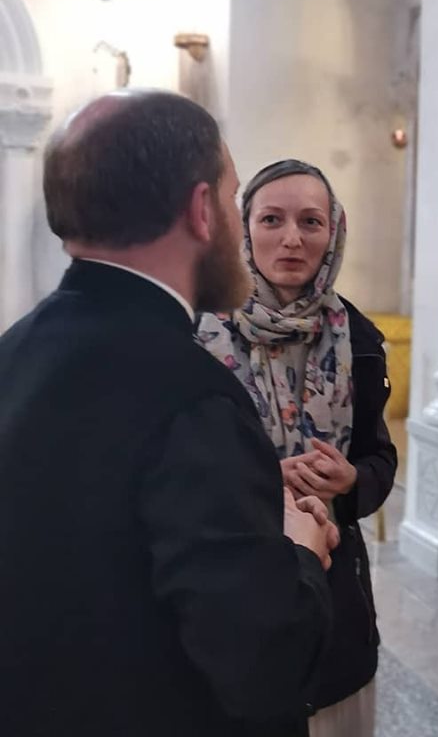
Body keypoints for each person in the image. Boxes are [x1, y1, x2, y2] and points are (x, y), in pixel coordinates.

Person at [0, 91, 338, 737]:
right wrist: (299, 546)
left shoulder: (14, 350)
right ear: (202, 210)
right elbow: (264, 664)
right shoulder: (193, 397)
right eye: (236, 201)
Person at [198, 159, 396, 737]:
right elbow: (172, 472)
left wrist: (352, 480)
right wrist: (262, 478)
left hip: (335, 593)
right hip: (231, 587)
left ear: (333, 232)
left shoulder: (358, 337)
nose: (292, 238)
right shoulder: (197, 335)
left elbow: (379, 458)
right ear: (242, 228)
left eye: (311, 221)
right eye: (271, 219)